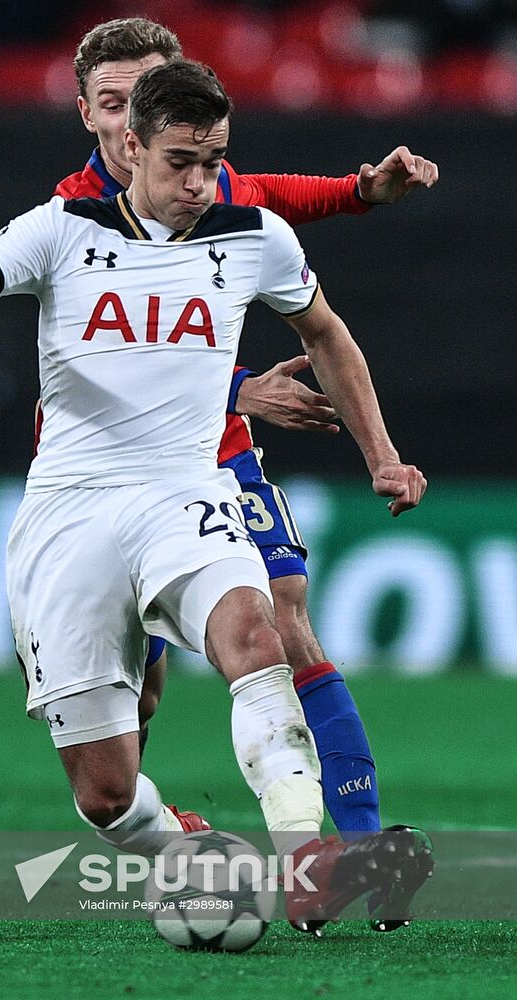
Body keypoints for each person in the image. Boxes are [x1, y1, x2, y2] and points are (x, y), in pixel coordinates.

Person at [0, 58, 433, 930]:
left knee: (260, 631)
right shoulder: (59, 230)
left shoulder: (251, 233)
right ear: (130, 147)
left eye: (213, 159)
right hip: (69, 512)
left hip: (186, 489)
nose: (198, 180)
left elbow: (325, 331)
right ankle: (183, 851)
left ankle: (310, 861)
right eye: (179, 161)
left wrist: (382, 455)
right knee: (105, 797)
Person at [40, 18, 439, 930]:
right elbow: (93, 358)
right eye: (115, 104)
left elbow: (280, 202)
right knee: (126, 716)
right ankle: (160, 837)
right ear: (99, 119)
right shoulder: (72, 216)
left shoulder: (209, 181)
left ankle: (345, 854)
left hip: (212, 465)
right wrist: (236, 386)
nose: (133, 117)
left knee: (283, 621)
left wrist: (363, 191)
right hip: (102, 482)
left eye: (153, 93)